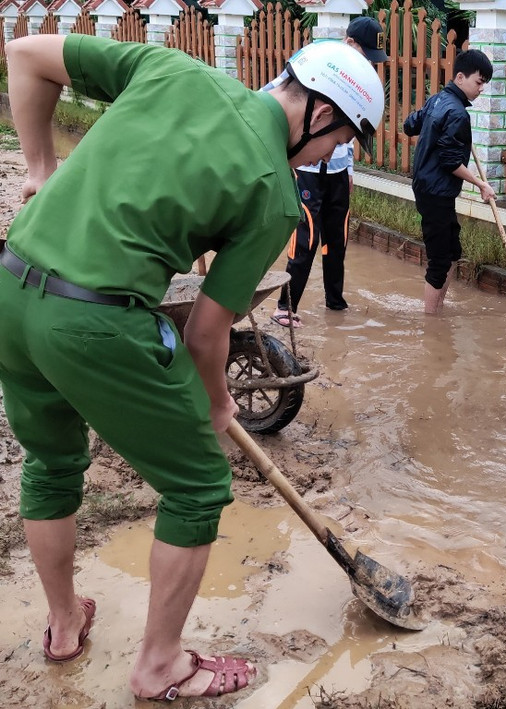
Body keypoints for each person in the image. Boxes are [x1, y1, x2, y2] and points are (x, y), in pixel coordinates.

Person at [0, 35, 382, 700]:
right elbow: (208, 336)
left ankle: (65, 625)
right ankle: (160, 664)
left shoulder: (169, 67)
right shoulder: (274, 192)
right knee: (200, 485)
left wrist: (40, 166)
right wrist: (218, 402)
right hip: (94, 319)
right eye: (339, 141)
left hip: (10, 289)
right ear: (319, 114)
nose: (330, 156)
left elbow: (25, 53)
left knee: (52, 462)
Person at [271, 17, 389, 328]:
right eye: (367, 55)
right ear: (351, 45)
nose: (370, 65)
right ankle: (286, 305)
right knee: (307, 237)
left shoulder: (355, 83)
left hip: (337, 172)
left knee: (337, 239)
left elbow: (347, 135)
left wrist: (348, 169)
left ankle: (335, 302)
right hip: (307, 169)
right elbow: (276, 95)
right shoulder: (318, 63)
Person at [403, 49, 497, 314]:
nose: (481, 89)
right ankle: (431, 321)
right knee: (440, 259)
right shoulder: (456, 113)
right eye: (478, 82)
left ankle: (438, 307)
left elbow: (409, 125)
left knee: (452, 250)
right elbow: (450, 161)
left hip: (428, 188)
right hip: (436, 192)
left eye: (484, 84)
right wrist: (481, 184)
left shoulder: (438, 101)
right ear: (460, 77)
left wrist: (430, 115)